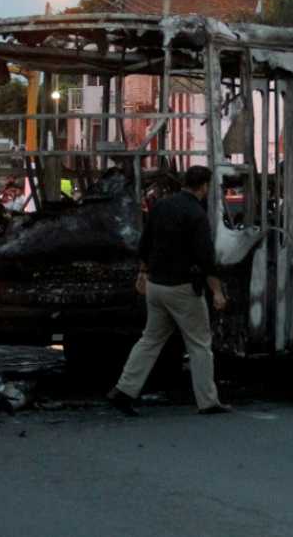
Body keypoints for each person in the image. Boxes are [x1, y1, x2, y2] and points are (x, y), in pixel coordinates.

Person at [108, 165, 230, 416]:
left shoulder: (161, 206)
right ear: (204, 186)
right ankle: (208, 402)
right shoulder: (196, 214)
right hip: (182, 289)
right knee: (199, 344)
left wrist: (142, 274)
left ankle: (123, 391)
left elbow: (146, 242)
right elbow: (206, 258)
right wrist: (217, 292)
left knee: (150, 340)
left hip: (156, 286)